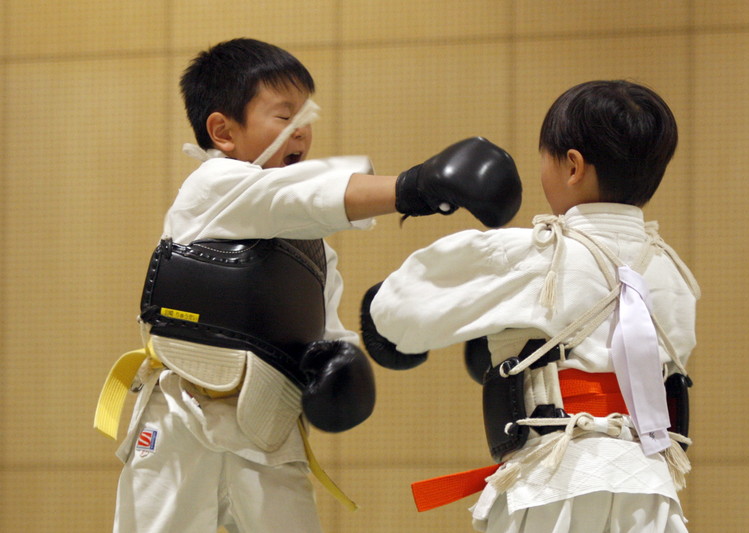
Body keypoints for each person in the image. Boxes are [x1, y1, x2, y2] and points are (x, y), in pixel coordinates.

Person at [93, 37, 521, 533]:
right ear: (223, 131)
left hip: (268, 435)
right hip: (182, 425)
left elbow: (324, 324)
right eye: (285, 117)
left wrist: (337, 360)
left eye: (306, 118)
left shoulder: (315, 249)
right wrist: (416, 186)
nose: (302, 133)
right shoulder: (214, 186)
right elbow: (300, 196)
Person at [362, 80, 701, 532]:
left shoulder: (534, 253)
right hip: (651, 490)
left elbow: (393, 316)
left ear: (573, 166)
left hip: (555, 483)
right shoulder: (675, 274)